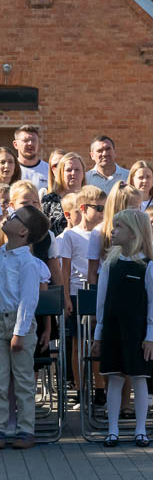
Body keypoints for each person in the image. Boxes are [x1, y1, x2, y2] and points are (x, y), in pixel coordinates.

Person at [92, 209, 153, 447]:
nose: (112, 231)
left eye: (118, 227)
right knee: (114, 378)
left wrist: (151, 336)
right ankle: (112, 430)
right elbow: (101, 303)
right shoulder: (110, 265)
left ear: (134, 233)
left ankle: (140, 430)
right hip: (113, 329)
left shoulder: (148, 266)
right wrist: (98, 334)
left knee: (139, 377)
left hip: (138, 333)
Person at [0, 204, 50, 449]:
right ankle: (1, 428)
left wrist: (19, 332)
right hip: (0, 322)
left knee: (22, 380)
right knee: (0, 380)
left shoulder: (28, 263)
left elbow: (29, 300)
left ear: (23, 231)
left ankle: (25, 430)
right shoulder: (1, 254)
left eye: (15, 217)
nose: (9, 216)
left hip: (20, 325)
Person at [59, 185, 106, 386]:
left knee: (98, 341)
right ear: (83, 208)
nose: (102, 213)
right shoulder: (71, 235)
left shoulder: (104, 233)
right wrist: (67, 297)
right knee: (78, 344)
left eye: (105, 208)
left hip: (98, 292)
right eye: (99, 208)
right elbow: (65, 268)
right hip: (78, 293)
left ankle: (99, 386)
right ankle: (79, 387)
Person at [42, 152, 86, 237]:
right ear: (61, 173)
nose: (73, 173)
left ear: (83, 173)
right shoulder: (49, 200)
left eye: (77, 170)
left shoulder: (91, 198)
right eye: (69, 170)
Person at [12, 125, 49, 191]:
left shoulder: (48, 170)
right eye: (25, 140)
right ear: (15, 144)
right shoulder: (10, 169)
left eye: (33, 140)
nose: (30, 143)